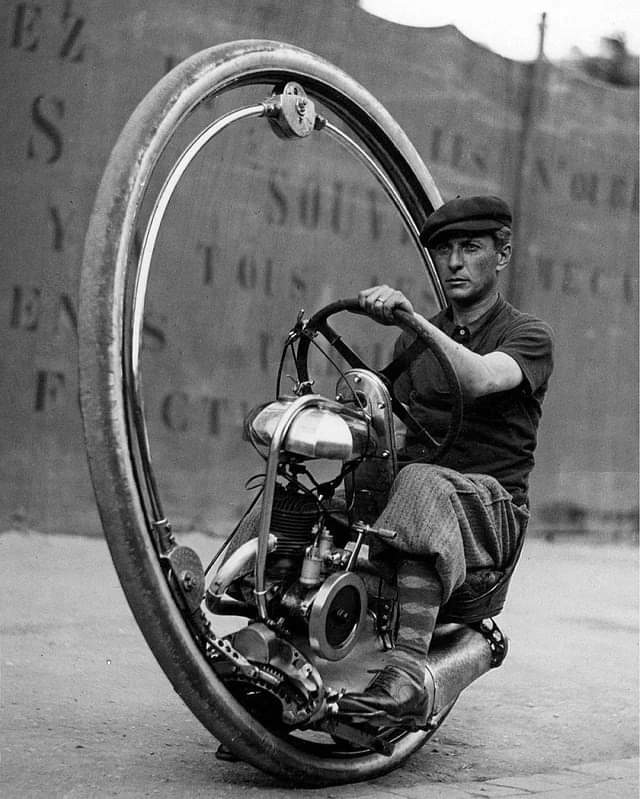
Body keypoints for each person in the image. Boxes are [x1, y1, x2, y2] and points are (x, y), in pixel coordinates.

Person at [337, 195, 554, 727]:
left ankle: (408, 673)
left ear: (501, 256)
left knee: (419, 481)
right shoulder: (414, 348)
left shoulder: (527, 336)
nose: (454, 262)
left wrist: (414, 322)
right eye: (444, 251)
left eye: (471, 248)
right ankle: (261, 639)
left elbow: (479, 377)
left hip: (491, 515)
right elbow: (382, 425)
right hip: (426, 500)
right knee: (318, 489)